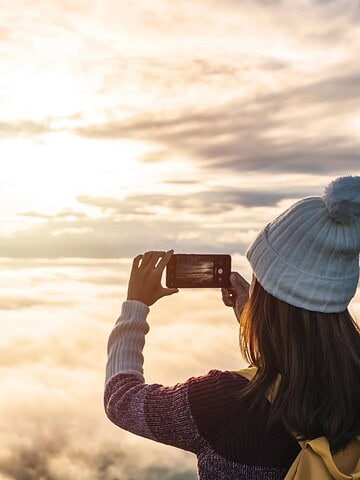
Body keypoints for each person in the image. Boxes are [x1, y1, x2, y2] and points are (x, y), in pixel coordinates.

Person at [104, 175, 360, 479]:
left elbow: (121, 400)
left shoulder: (224, 402)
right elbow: (303, 361)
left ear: (266, 294)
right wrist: (250, 316)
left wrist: (135, 306)